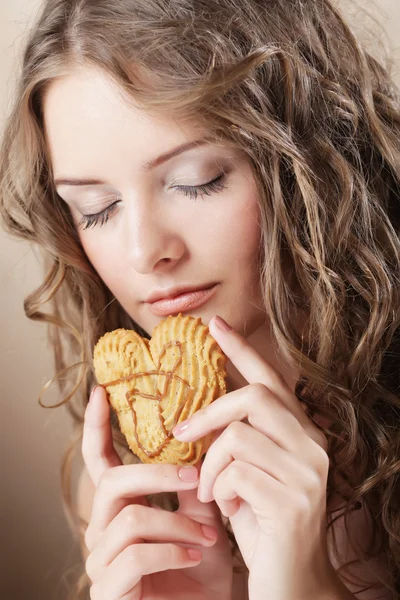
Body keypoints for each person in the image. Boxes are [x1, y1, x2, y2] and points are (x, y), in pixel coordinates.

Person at [1, 0, 399, 598]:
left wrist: (308, 586)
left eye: (197, 180)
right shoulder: (131, 486)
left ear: (308, 163)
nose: (144, 252)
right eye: (97, 209)